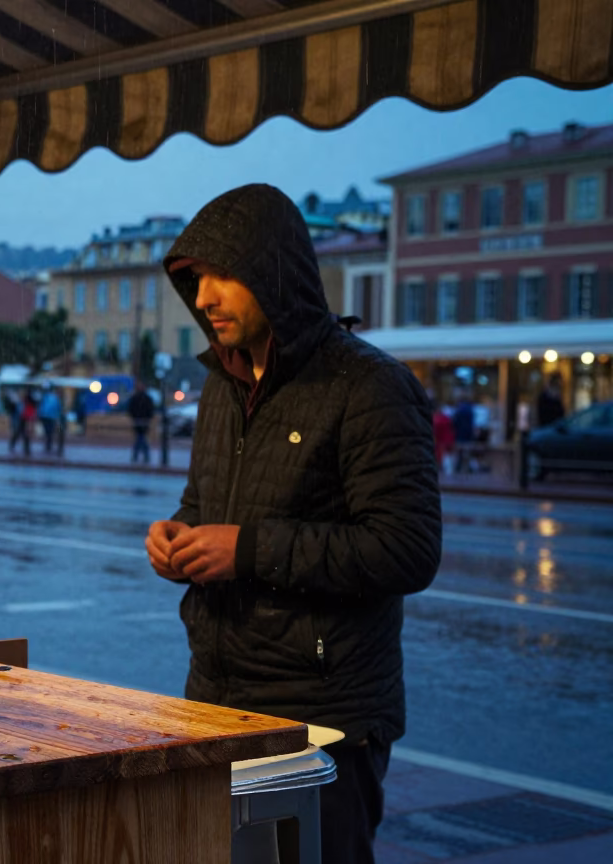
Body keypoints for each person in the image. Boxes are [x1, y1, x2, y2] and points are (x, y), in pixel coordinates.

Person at [143, 184, 441, 864]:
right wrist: (178, 539)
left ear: (275, 276)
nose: (206, 297)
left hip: (324, 714)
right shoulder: (222, 384)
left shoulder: (370, 387)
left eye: (225, 276)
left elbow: (407, 550)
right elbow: (206, 507)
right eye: (196, 281)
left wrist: (246, 551)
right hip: (217, 695)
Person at [126, 381, 155, 464]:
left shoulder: (145, 398)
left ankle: (137, 456)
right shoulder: (138, 398)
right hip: (139, 421)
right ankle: (143, 456)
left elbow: (150, 410)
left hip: (143, 421)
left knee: (140, 438)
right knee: (141, 438)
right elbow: (131, 409)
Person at [37, 384, 63, 455]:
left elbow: (41, 407)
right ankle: (49, 445)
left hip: (46, 417)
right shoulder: (55, 398)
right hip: (51, 417)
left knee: (48, 432)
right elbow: (58, 408)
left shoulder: (46, 396)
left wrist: (40, 415)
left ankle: (48, 445)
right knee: (50, 432)